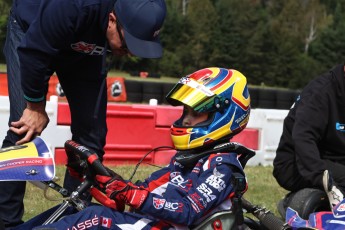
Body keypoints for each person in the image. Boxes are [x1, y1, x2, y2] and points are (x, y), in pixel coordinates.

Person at [14, 67, 251, 229]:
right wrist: (99, 181)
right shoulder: (187, 160)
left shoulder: (223, 166)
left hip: (166, 226)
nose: (186, 120)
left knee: (96, 219)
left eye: (196, 113)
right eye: (185, 112)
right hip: (149, 222)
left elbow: (188, 210)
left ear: (224, 115)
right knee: (78, 209)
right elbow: (138, 191)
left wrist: (134, 196)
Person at [0, 0, 167, 228]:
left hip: (86, 43)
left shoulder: (146, 6)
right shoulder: (74, 6)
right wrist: (35, 107)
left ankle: (72, 220)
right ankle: (6, 222)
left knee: (91, 136)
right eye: (128, 45)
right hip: (32, 30)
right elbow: (34, 51)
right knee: (24, 127)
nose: (128, 54)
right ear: (112, 20)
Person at [273, 64, 345, 214]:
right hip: (295, 164)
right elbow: (303, 138)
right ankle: (295, 203)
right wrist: (322, 178)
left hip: (334, 159)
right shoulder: (321, 91)